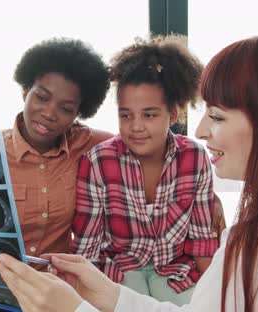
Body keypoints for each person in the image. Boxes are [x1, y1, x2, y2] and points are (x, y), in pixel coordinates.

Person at [0, 31, 258, 312]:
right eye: (126, 115)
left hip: (170, 272)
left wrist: (72, 310)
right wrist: (105, 293)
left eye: (216, 115)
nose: (200, 131)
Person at [70, 35, 219, 305]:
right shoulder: (98, 162)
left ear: (172, 115)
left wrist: (217, 294)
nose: (136, 126)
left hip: (176, 269)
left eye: (149, 115)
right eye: (126, 115)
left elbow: (201, 238)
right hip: (120, 270)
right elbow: (87, 244)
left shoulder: (195, 157)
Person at [3, 38, 112, 263]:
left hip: (57, 283)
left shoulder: (87, 143)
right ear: (25, 91)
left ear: (78, 113)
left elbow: (138, 142)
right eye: (42, 98)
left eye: (66, 108)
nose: (50, 113)